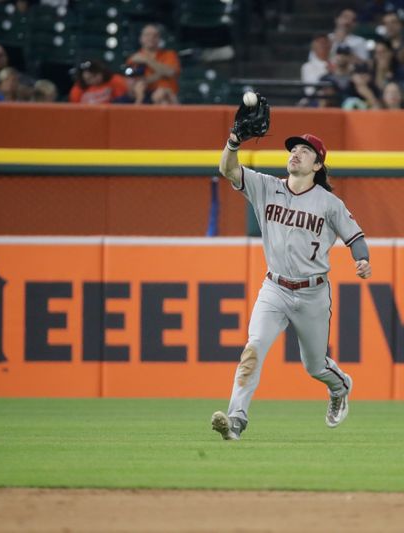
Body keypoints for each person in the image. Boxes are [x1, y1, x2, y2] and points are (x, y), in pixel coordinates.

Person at [212, 107, 372, 441]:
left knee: (315, 366)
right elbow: (227, 169)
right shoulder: (266, 186)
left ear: (317, 165)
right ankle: (236, 420)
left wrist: (362, 259)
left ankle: (340, 387)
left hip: (313, 294)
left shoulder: (328, 203)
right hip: (275, 289)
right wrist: (233, 141)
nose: (295, 153)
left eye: (305, 150)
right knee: (253, 348)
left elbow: (354, 236)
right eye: (293, 149)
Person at [126, 24, 181, 98]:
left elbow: (171, 72)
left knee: (162, 94)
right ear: (141, 38)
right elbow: (133, 83)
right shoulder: (135, 58)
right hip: (143, 97)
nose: (151, 38)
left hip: (166, 99)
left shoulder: (169, 54)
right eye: (147, 35)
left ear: (159, 39)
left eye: (155, 35)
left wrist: (147, 60)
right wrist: (159, 75)